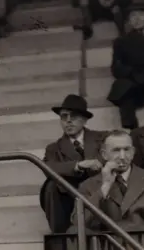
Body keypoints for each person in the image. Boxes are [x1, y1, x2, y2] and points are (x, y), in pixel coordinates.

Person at [70, 130, 144, 232]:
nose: (123, 156)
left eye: (127, 150)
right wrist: (105, 187)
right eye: (116, 150)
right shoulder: (88, 185)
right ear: (104, 155)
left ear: (133, 152)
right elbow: (79, 224)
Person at [40, 94, 106, 233]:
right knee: (51, 186)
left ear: (84, 119)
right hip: (71, 198)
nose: (68, 121)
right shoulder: (53, 148)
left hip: (101, 192)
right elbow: (48, 167)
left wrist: (97, 163)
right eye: (64, 117)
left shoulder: (102, 138)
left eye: (74, 116)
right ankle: (61, 238)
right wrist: (78, 165)